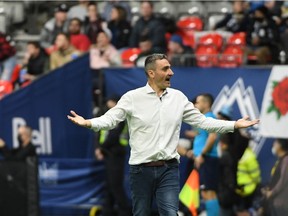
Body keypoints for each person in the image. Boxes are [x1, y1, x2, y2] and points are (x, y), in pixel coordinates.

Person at [67, 53, 259, 216]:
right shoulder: (132, 98)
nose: (171, 73)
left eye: (170, 68)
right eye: (166, 69)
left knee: (169, 213)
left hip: (169, 169)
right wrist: (88, 123)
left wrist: (234, 124)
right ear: (151, 73)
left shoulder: (178, 98)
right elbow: (110, 120)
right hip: (140, 170)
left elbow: (204, 122)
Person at [95, 95, 131, 216]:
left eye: (110, 102)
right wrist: (100, 149)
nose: (107, 104)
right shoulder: (108, 115)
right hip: (109, 154)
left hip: (116, 153)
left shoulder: (119, 117)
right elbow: (100, 132)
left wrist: (101, 148)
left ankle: (125, 212)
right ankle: (107, 211)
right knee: (110, 185)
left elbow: (114, 136)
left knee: (115, 185)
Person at [187, 94, 221, 216]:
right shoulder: (204, 119)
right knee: (205, 193)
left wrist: (201, 154)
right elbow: (203, 138)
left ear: (206, 104)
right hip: (204, 159)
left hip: (208, 159)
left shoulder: (209, 118)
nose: (195, 105)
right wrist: (195, 151)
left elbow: (213, 137)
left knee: (209, 193)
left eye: (198, 102)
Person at [262, 139, 288, 216]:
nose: (273, 144)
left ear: (280, 145)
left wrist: (272, 192)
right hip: (273, 201)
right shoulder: (281, 159)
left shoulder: (286, 160)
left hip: (279, 204)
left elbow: (283, 181)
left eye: (276, 142)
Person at [235, 146, 261, 216]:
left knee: (241, 211)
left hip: (243, 190)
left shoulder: (246, 155)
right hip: (244, 190)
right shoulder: (249, 155)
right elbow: (256, 176)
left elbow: (255, 176)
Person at [218, 133, 237, 216]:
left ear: (221, 143)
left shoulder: (225, 156)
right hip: (230, 193)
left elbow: (227, 178)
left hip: (226, 195)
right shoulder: (232, 154)